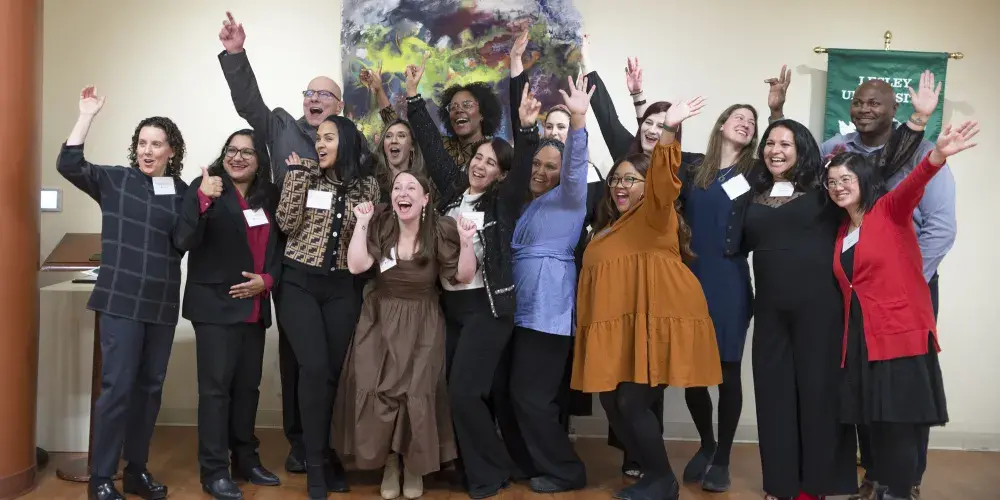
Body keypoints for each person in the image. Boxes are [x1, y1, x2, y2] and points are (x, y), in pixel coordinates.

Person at [573, 96, 722, 500]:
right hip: (617, 328)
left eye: (630, 180)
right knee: (612, 401)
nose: (621, 186)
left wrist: (668, 131)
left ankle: (662, 479)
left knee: (630, 401)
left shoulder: (656, 214)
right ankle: (653, 472)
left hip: (656, 319)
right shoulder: (608, 229)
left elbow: (662, 178)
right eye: (616, 179)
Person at [217, 11, 347, 472]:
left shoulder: (350, 142)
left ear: (338, 105)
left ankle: (329, 442)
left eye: (323, 95)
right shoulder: (280, 126)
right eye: (309, 93)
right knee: (296, 361)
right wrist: (236, 54)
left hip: (337, 268)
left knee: (331, 362)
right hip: (289, 256)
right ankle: (299, 444)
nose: (313, 100)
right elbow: (249, 104)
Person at [824, 119, 974, 500]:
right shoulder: (842, 231)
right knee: (874, 422)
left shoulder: (889, 210)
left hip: (899, 335)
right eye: (832, 182)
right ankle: (881, 484)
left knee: (899, 425)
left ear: (864, 181)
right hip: (861, 339)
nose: (838, 187)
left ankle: (899, 492)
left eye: (846, 179)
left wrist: (937, 155)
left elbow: (914, 183)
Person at [402, 59, 528, 498]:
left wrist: (522, 105)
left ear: (501, 174)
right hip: (452, 307)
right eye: (478, 156)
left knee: (465, 393)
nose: (480, 164)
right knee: (455, 392)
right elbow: (434, 154)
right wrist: (414, 98)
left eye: (491, 162)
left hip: (487, 310)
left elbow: (522, 159)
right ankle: (487, 466)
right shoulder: (455, 193)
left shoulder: (502, 204)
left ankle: (490, 473)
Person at [57, 86, 188, 500]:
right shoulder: (115, 180)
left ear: (171, 151)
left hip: (162, 304)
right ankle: (100, 478)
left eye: (157, 144)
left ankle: (136, 471)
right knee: (117, 389)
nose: (148, 151)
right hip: (120, 302)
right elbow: (69, 163)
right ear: (136, 148)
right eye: (142, 143)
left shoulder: (181, 192)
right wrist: (86, 115)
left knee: (150, 391)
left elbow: (186, 240)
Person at [334, 175, 478, 500]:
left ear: (425, 199)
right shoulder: (383, 226)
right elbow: (357, 266)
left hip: (423, 319)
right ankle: (389, 463)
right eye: (398, 188)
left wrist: (467, 241)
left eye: (411, 188)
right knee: (378, 388)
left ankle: (413, 466)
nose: (403, 193)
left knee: (417, 391)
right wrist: (362, 221)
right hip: (380, 318)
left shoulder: (440, 229)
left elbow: (463, 275)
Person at [173, 129, 282, 499]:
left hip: (254, 305)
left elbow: (281, 247)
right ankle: (215, 470)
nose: (238, 157)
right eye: (231, 151)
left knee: (247, 389)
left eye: (247, 152)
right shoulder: (205, 187)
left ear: (259, 159)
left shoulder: (269, 194)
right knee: (216, 392)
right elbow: (183, 240)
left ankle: (246, 461)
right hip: (216, 307)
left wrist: (267, 280)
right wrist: (202, 200)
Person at [275, 115, 380, 498]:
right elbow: (286, 224)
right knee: (314, 368)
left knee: (334, 373)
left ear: (347, 142)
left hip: (341, 287)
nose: (320, 144)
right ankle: (313, 461)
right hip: (298, 283)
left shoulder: (368, 185)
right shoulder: (303, 175)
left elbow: (366, 240)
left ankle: (330, 455)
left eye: (329, 138)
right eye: (318, 139)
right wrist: (299, 179)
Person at [502, 74, 594, 494]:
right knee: (518, 393)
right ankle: (528, 462)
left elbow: (576, 169)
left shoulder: (570, 199)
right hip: (520, 308)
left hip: (548, 310)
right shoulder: (527, 205)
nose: (541, 171)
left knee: (533, 396)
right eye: (536, 164)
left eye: (549, 167)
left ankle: (567, 471)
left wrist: (577, 120)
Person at [675, 104, 759, 491]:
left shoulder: (755, 172)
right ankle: (706, 445)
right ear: (722, 124)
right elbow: (647, 151)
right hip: (690, 279)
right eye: (739, 117)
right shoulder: (693, 168)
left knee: (726, 373)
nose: (746, 123)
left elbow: (784, 155)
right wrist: (641, 100)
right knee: (693, 374)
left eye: (752, 122)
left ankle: (723, 457)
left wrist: (776, 111)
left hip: (729, 282)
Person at [362, 56, 503, 168]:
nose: (458, 110)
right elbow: (398, 129)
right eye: (452, 107)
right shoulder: (440, 145)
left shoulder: (495, 153)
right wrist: (379, 91)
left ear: (483, 112)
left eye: (467, 105)